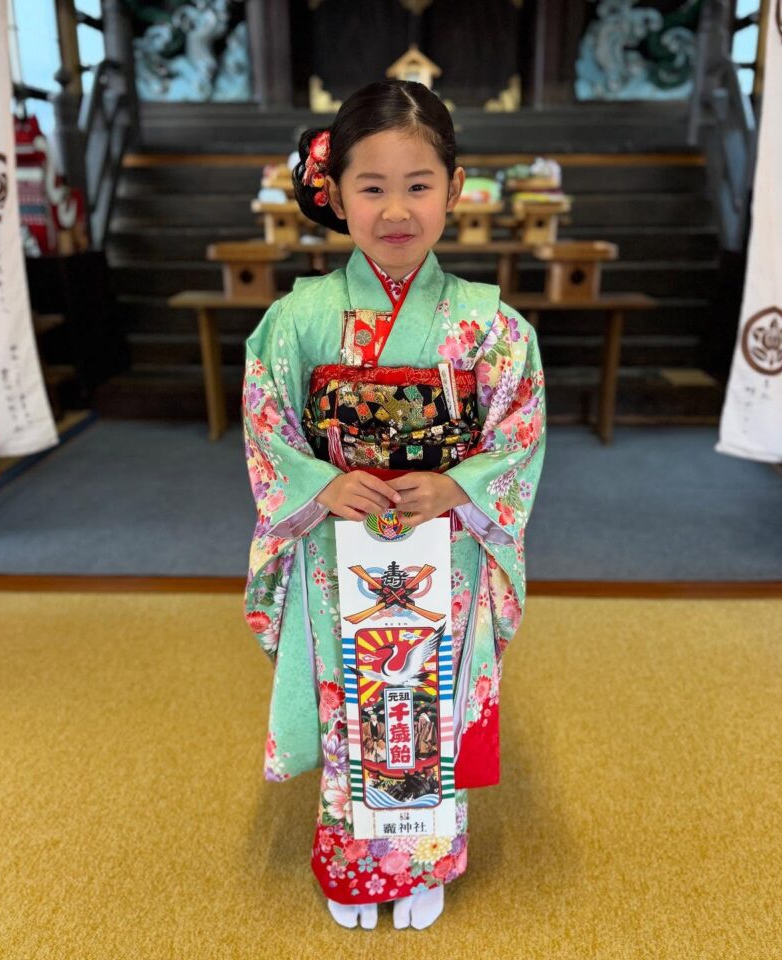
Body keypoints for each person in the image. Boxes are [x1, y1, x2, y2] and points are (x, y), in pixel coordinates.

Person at [242, 79, 546, 931]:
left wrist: (459, 484)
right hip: (340, 548)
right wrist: (320, 483)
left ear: (455, 188)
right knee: (354, 704)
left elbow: (517, 436)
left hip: (442, 549)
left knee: (430, 706)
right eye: (371, 187)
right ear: (335, 194)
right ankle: (351, 865)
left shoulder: (494, 329)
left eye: (419, 184)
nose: (397, 209)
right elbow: (269, 428)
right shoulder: (297, 321)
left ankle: (426, 860)